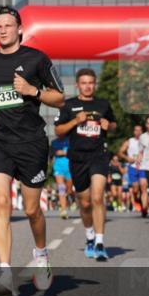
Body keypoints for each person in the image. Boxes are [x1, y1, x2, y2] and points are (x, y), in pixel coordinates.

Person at [0, 6, 65, 296]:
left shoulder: (36, 59)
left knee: (31, 210)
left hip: (30, 142)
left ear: (19, 29)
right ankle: (5, 272)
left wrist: (32, 91)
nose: (2, 30)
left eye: (8, 25)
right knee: (2, 202)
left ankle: (41, 255)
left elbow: (60, 98)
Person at [53, 68, 116, 261]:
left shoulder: (103, 104)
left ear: (94, 84)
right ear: (77, 85)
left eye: (91, 82)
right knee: (85, 202)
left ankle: (99, 242)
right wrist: (74, 121)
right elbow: (58, 131)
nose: (88, 86)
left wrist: (109, 126)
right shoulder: (69, 105)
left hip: (99, 156)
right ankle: (89, 235)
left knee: (97, 197)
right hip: (77, 158)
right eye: (84, 83)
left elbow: (113, 124)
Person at [120, 124, 149, 217]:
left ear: (142, 131)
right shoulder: (129, 141)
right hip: (132, 167)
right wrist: (127, 158)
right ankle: (137, 200)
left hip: (143, 167)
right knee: (135, 189)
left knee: (144, 187)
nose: (138, 132)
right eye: (136, 130)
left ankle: (144, 209)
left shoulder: (147, 141)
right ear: (134, 132)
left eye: (140, 130)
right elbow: (120, 152)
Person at [50, 135, 73, 218]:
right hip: (58, 168)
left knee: (69, 189)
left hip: (70, 167)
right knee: (61, 188)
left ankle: (70, 196)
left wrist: (63, 152)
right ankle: (63, 210)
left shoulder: (70, 140)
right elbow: (53, 153)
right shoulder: (54, 142)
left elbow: (73, 152)